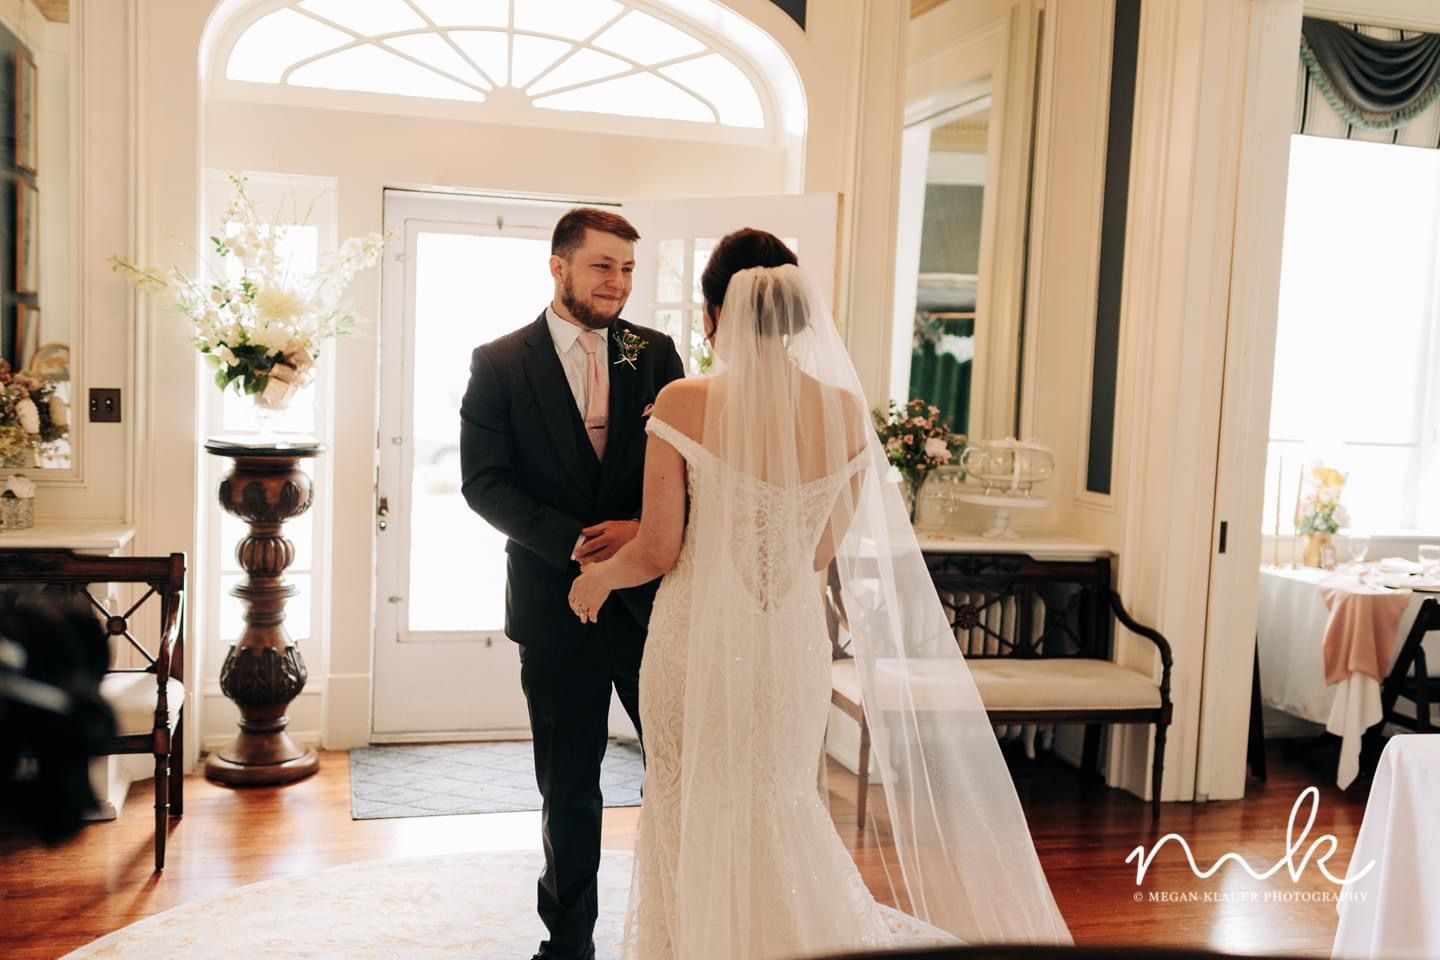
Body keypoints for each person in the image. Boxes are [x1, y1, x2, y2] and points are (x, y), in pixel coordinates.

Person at [569, 229, 1071, 958]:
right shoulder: (844, 413)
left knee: (690, 799)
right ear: (798, 317)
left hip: (699, 644)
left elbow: (658, 548)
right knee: (780, 801)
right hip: (788, 644)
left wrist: (596, 579)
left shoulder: (684, 402)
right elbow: (821, 551)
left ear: (716, 313)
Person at [459, 207, 685, 960]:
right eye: (602, 266)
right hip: (556, 607)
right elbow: (484, 485)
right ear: (558, 267)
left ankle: (683, 923)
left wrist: (638, 532)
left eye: (626, 268)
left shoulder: (655, 354)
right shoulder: (498, 362)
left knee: (682, 771)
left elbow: (687, 469)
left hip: (657, 602)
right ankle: (569, 943)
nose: (618, 282)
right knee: (569, 786)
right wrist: (583, 547)